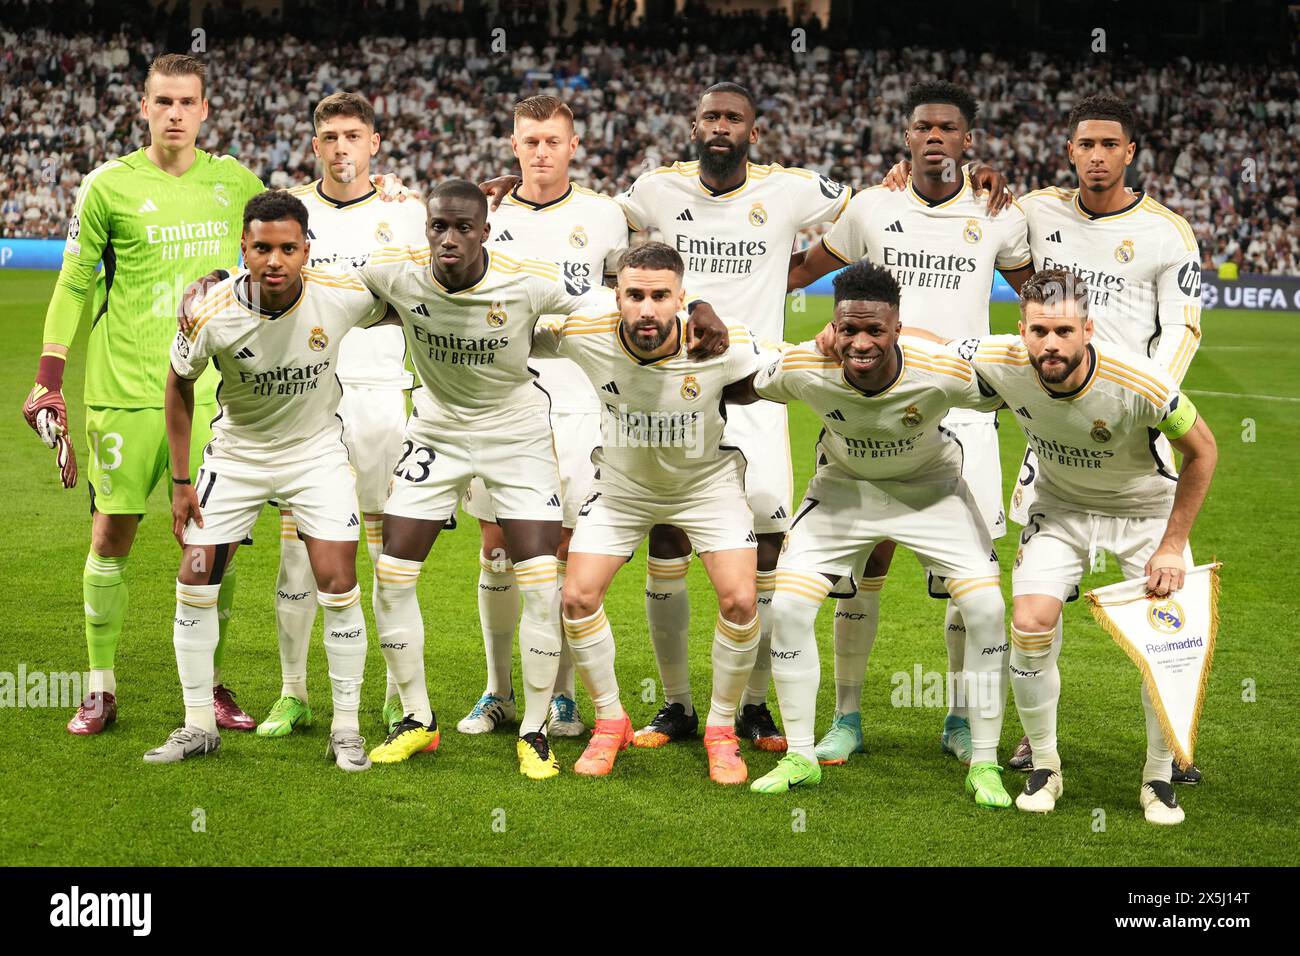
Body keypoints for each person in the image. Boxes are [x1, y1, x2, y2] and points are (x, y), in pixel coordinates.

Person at [345, 180, 727, 778]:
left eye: (464, 228)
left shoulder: (527, 278)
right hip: (437, 430)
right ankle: (417, 719)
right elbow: (316, 284)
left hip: (516, 434)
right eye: (439, 226)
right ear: (426, 228)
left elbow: (618, 300)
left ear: (486, 232)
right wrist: (218, 279)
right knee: (393, 572)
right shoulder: (397, 270)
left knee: (540, 579)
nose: (449, 238)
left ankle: (534, 728)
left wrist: (696, 302)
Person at [787, 80, 1034, 768]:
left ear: (968, 140)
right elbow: (804, 270)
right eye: (923, 127)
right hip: (871, 407)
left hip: (963, 409)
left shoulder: (998, 211)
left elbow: (1040, 295)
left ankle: (960, 718)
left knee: (967, 580)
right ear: (906, 137)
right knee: (861, 565)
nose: (934, 137)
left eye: (947, 128)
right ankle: (846, 717)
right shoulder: (874, 206)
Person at [23, 54, 264, 736]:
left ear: (205, 109)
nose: (175, 114)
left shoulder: (236, 183)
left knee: (216, 541)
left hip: (213, 393)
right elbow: (75, 281)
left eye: (187, 102)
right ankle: (100, 687)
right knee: (112, 533)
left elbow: (293, 233)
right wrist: (49, 376)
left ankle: (210, 684)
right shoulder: (108, 185)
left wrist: (380, 189)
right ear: (144, 108)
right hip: (125, 389)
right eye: (164, 102)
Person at [731, 261, 1012, 806]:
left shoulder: (939, 369)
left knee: (987, 610)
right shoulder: (806, 366)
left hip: (931, 492)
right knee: (788, 607)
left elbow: (1011, 386)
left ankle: (983, 760)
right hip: (844, 492)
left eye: (875, 330)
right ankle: (803, 755)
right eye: (849, 329)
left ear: (898, 328)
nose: (860, 344)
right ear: (832, 326)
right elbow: (744, 381)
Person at [955, 269, 1217, 823]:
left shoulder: (1141, 382)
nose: (1051, 344)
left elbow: (1204, 451)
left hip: (1145, 514)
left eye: (1064, 331)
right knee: (1029, 625)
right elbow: (926, 348)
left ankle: (1158, 776)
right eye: (1039, 331)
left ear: (1088, 329)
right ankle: (1045, 765)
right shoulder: (1000, 359)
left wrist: (1172, 545)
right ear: (1021, 330)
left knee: (1169, 640)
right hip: (1060, 508)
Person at [150, 191, 393, 770]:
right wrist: (182, 481)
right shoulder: (210, 312)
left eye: (288, 248)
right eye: (262, 248)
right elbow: (178, 384)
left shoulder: (340, 293)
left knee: (338, 580)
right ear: (243, 247)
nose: (275, 261)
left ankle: (346, 728)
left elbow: (412, 294)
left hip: (315, 455)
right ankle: (197, 724)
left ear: (307, 249)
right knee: (196, 575)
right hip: (237, 457)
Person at [534, 241, 767, 783]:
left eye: (660, 296)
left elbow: (783, 371)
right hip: (622, 488)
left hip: (706, 486)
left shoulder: (721, 341)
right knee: (576, 597)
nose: (646, 309)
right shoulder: (585, 333)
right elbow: (511, 326)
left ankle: (721, 731)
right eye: (634, 295)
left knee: (740, 600)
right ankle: (610, 721)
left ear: (681, 298)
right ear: (615, 296)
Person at [251, 91, 428, 740]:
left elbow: (431, 295)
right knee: (298, 554)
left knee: (387, 559)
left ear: (374, 143)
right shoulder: (292, 213)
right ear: (314, 145)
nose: (341, 147)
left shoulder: (406, 212)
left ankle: (393, 695)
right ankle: (293, 692)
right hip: (306, 398)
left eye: (353, 135)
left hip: (382, 394)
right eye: (329, 137)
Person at [457, 94, 628, 740]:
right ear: (513, 145)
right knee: (498, 546)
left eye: (553, 140)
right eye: (530, 141)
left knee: (562, 546)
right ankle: (497, 691)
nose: (541, 152)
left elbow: (621, 298)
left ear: (574, 145)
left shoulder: (605, 216)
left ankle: (560, 695)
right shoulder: (489, 215)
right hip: (501, 396)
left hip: (580, 397)